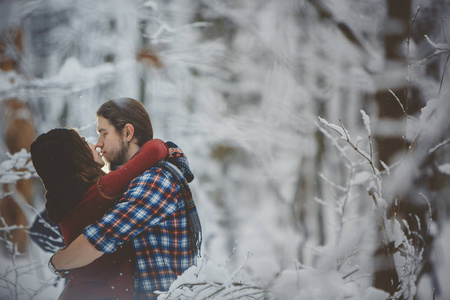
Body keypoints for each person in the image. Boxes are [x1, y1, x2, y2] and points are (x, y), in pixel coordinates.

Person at [50, 98, 202, 299]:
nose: (99, 144)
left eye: (104, 133)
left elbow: (101, 236)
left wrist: (57, 262)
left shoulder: (156, 180)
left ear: (127, 133)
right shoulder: (134, 180)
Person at [30, 128, 169, 299]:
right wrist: (173, 150)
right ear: (74, 156)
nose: (94, 144)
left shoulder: (65, 205)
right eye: (83, 142)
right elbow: (156, 149)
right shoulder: (103, 189)